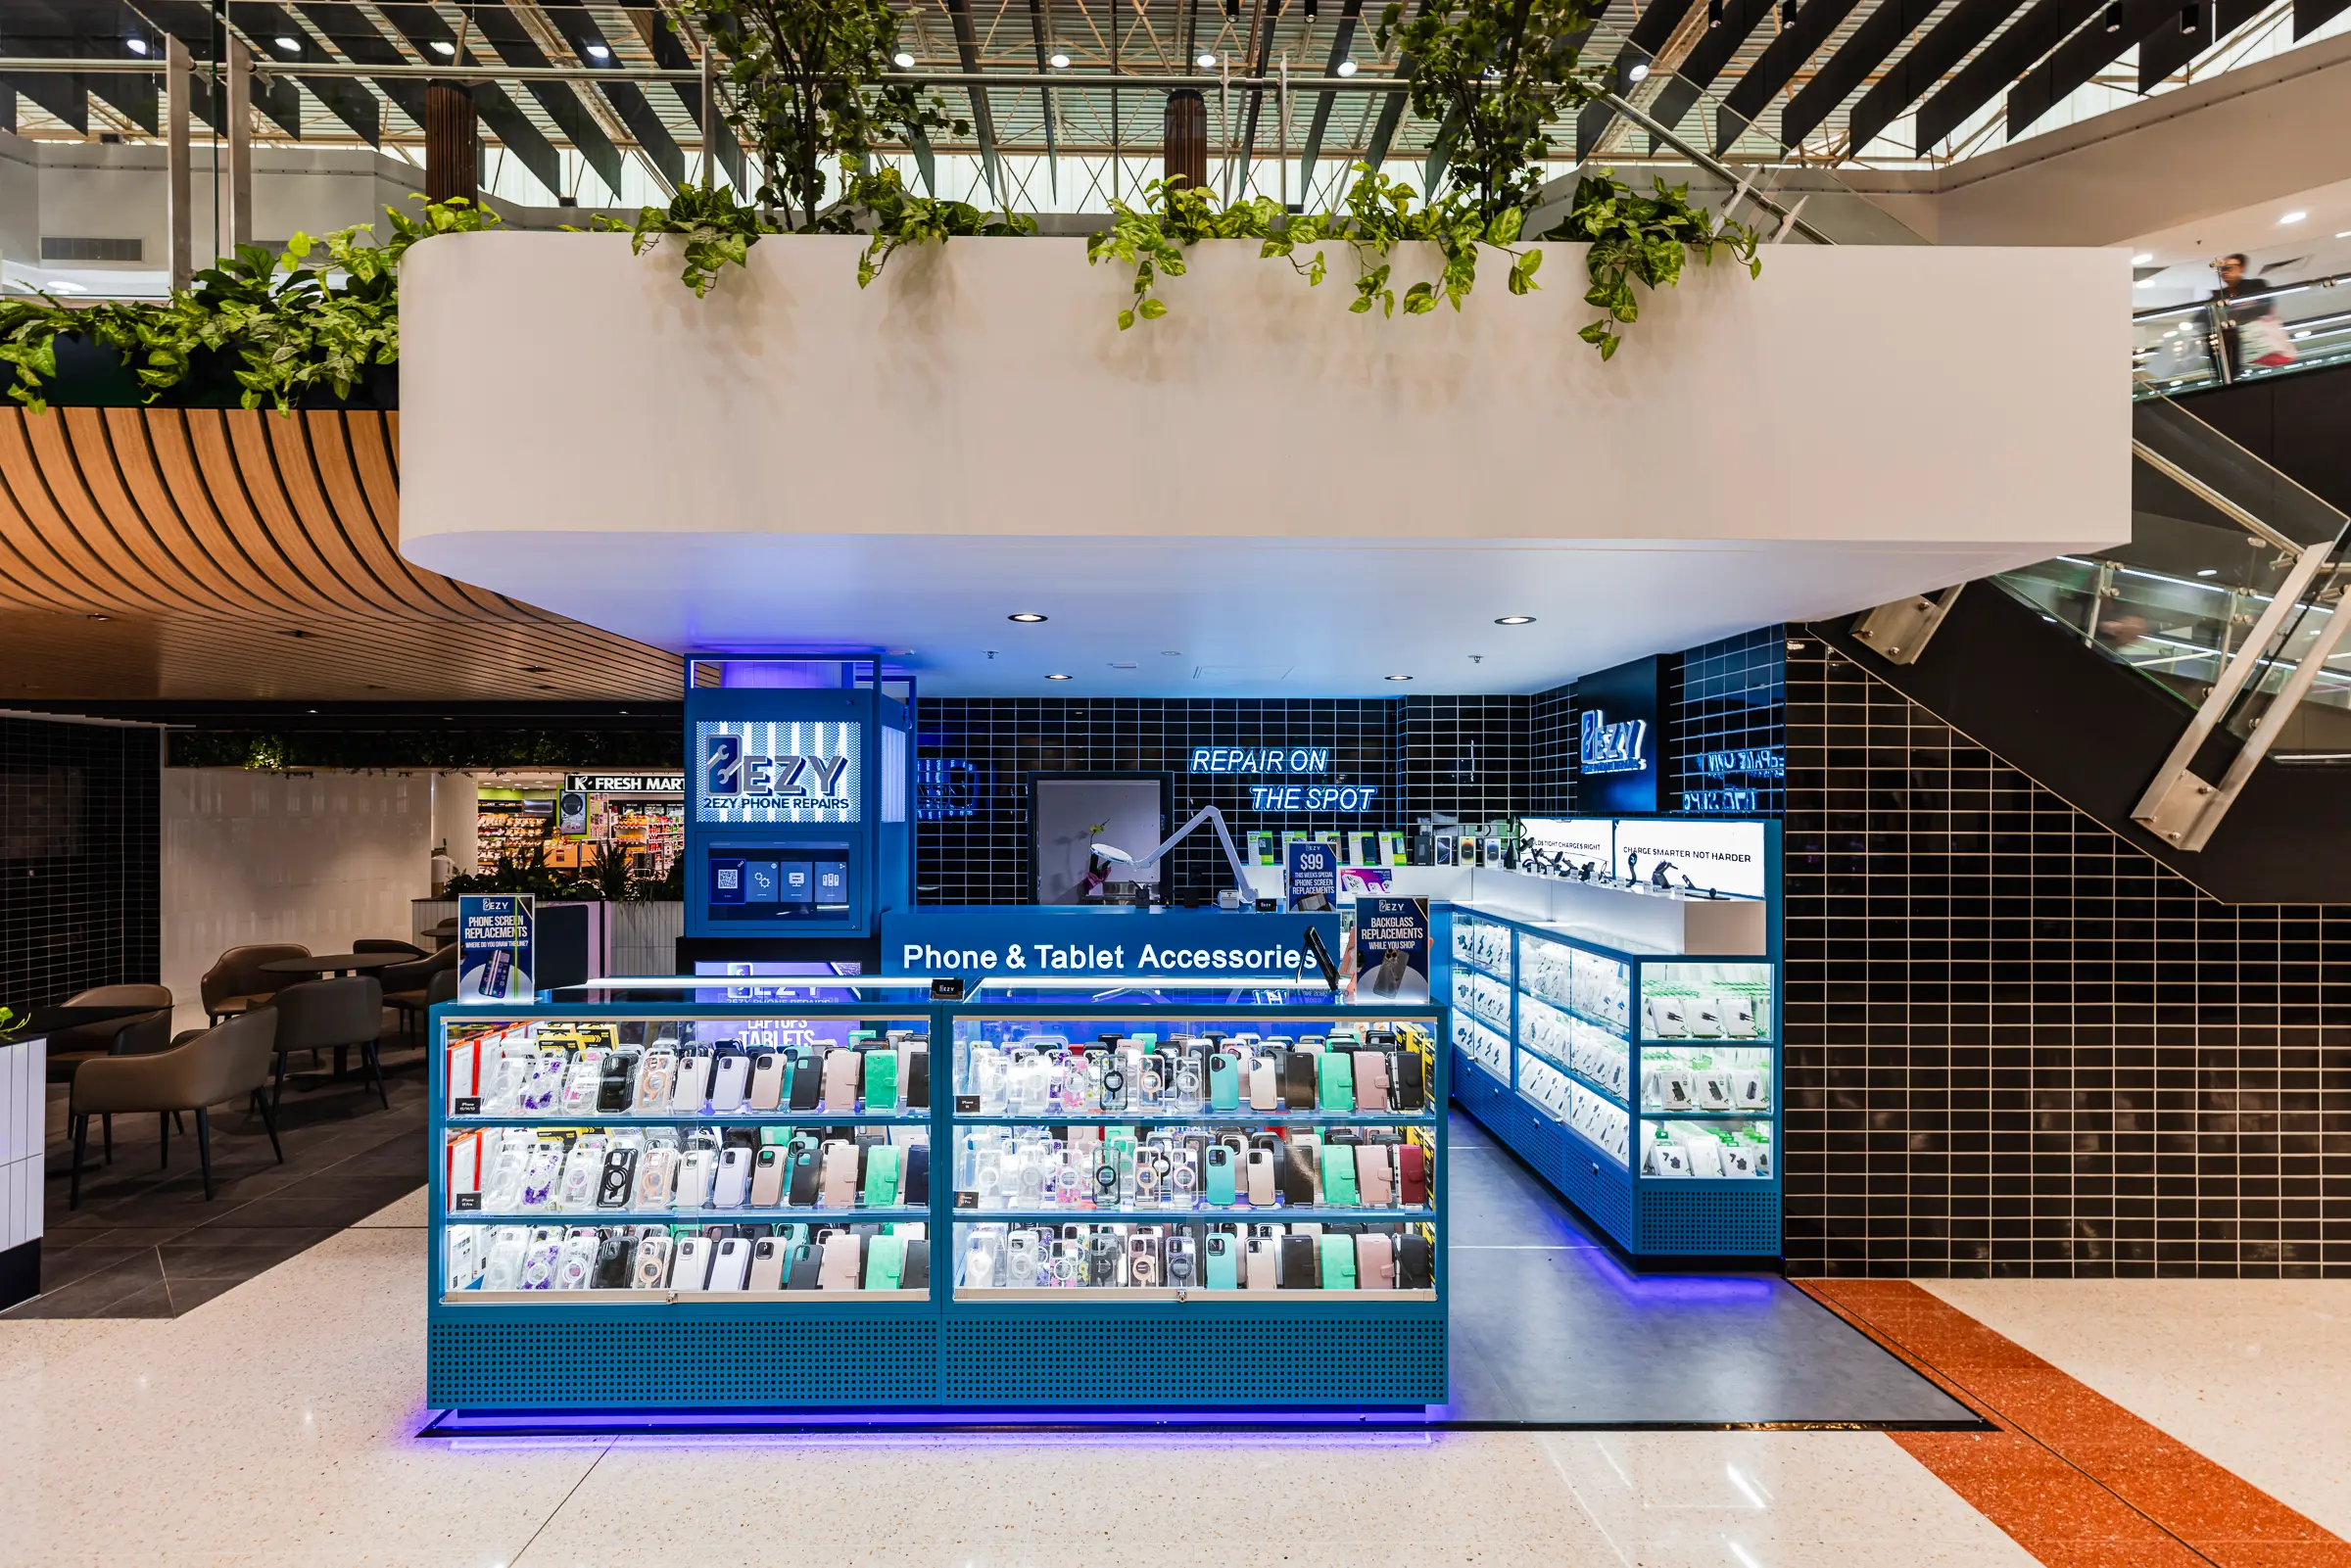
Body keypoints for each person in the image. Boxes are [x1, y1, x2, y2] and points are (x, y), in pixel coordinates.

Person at [2210, 254, 2280, 377]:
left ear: (2241, 268)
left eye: (2229, 268)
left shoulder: (2256, 285)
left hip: (2258, 339)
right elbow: (2204, 318)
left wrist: (2240, 308)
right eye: (2222, 269)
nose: (2224, 272)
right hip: (2237, 348)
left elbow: (2266, 304)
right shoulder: (2217, 296)